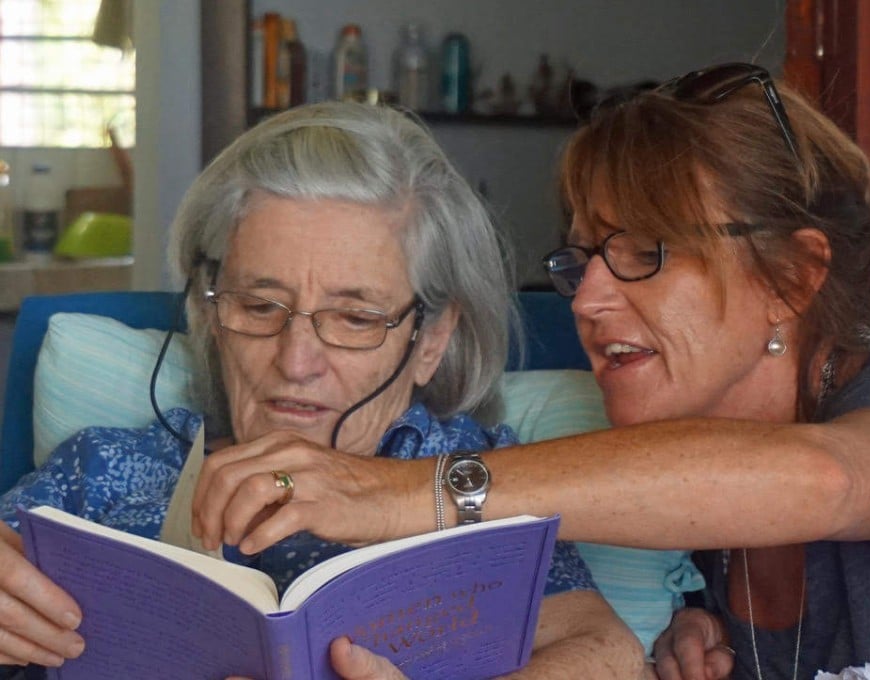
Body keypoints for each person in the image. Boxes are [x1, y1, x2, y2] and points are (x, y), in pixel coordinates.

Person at [192, 63, 870, 680]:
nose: (586, 297)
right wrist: (680, 630)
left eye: (643, 254)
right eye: (583, 255)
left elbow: (823, 479)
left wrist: (395, 492)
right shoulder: (686, 515)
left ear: (792, 279)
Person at [0, 101, 645, 678]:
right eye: (258, 306)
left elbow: (610, 656)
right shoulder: (101, 473)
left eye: (356, 319)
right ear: (208, 311)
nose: (297, 361)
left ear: (431, 341)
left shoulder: (478, 478)